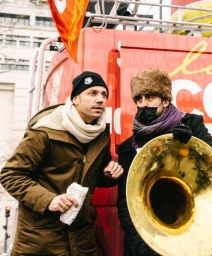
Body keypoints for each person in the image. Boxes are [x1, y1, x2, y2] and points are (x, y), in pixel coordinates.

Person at [0, 71, 123, 255]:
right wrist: (49, 200)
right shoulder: (45, 132)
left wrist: (108, 176)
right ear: (75, 99)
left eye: (103, 95)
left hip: (81, 239)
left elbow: (94, 177)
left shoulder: (101, 136)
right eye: (92, 93)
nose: (100, 99)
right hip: (41, 240)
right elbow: (11, 175)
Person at [117, 68, 212, 256]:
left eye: (150, 98)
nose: (143, 104)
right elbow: (125, 200)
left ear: (165, 100)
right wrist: (138, 240)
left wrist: (193, 142)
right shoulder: (128, 147)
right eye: (139, 99)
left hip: (196, 229)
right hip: (152, 237)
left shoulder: (191, 123)